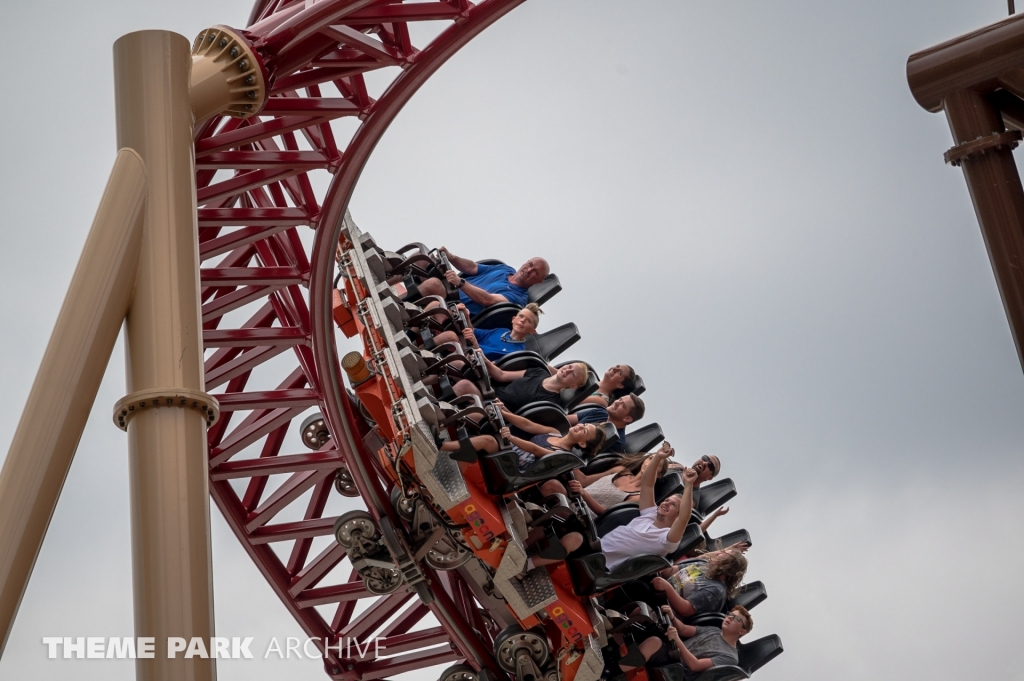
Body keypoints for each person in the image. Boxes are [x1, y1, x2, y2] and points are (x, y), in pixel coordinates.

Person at [559, 447, 695, 572]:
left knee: (571, 535)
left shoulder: (667, 539)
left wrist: (688, 485)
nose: (666, 504)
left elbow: (684, 518)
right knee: (569, 536)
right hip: (596, 546)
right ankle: (537, 563)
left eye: (673, 505)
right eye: (666, 500)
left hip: (603, 565)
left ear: (677, 514)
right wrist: (658, 457)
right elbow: (647, 485)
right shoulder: (649, 514)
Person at [614, 606, 752, 679]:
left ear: (742, 632)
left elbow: (695, 665)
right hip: (673, 652)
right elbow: (684, 629)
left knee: (654, 642)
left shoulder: (730, 657)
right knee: (647, 624)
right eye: (730, 614)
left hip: (679, 669)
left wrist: (677, 640)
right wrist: (672, 616)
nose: (730, 618)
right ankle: (611, 649)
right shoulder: (714, 630)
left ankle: (611, 672)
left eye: (737, 619)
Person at [412, 248, 549, 315]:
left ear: (538, 281)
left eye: (535, 272)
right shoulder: (505, 269)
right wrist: (452, 257)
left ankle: (401, 304)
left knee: (434, 284)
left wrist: (461, 283)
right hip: (451, 285)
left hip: (457, 304)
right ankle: (391, 284)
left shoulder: (519, 298)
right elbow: (472, 267)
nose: (529, 270)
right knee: (422, 256)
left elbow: (488, 300)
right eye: (530, 265)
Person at [568, 446, 671, 515]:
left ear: (658, 475)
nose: (650, 464)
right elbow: (584, 481)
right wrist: (569, 459)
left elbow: (606, 514)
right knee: (553, 485)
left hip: (584, 515)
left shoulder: (638, 497)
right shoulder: (621, 471)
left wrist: (584, 493)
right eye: (650, 459)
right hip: (573, 501)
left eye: (656, 464)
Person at [652, 546, 748, 618]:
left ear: (728, 565)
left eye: (723, 554)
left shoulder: (716, 590)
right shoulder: (703, 566)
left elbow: (685, 609)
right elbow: (669, 571)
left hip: (664, 612)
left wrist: (667, 588)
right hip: (656, 594)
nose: (718, 554)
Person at [453, 360, 590, 411]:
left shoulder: (550, 402)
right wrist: (483, 358)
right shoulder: (538, 372)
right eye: (569, 366)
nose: (567, 370)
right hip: (488, 391)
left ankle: (438, 407)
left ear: (573, 386)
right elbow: (501, 375)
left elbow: (523, 418)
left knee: (464, 385)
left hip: (494, 409)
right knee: (459, 364)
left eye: (573, 374)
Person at [433, 303, 542, 361]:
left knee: (450, 336)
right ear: (513, 319)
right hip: (465, 349)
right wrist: (466, 316)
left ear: (532, 331)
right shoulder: (502, 331)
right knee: (436, 305)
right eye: (521, 316)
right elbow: (472, 332)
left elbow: (493, 368)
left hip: (473, 363)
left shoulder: (518, 353)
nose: (522, 320)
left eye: (528, 321)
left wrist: (476, 346)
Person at [572, 394, 645, 453]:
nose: (616, 402)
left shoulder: (615, 442)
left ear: (627, 419)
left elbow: (580, 453)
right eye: (620, 399)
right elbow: (566, 420)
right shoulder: (600, 412)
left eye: (622, 405)